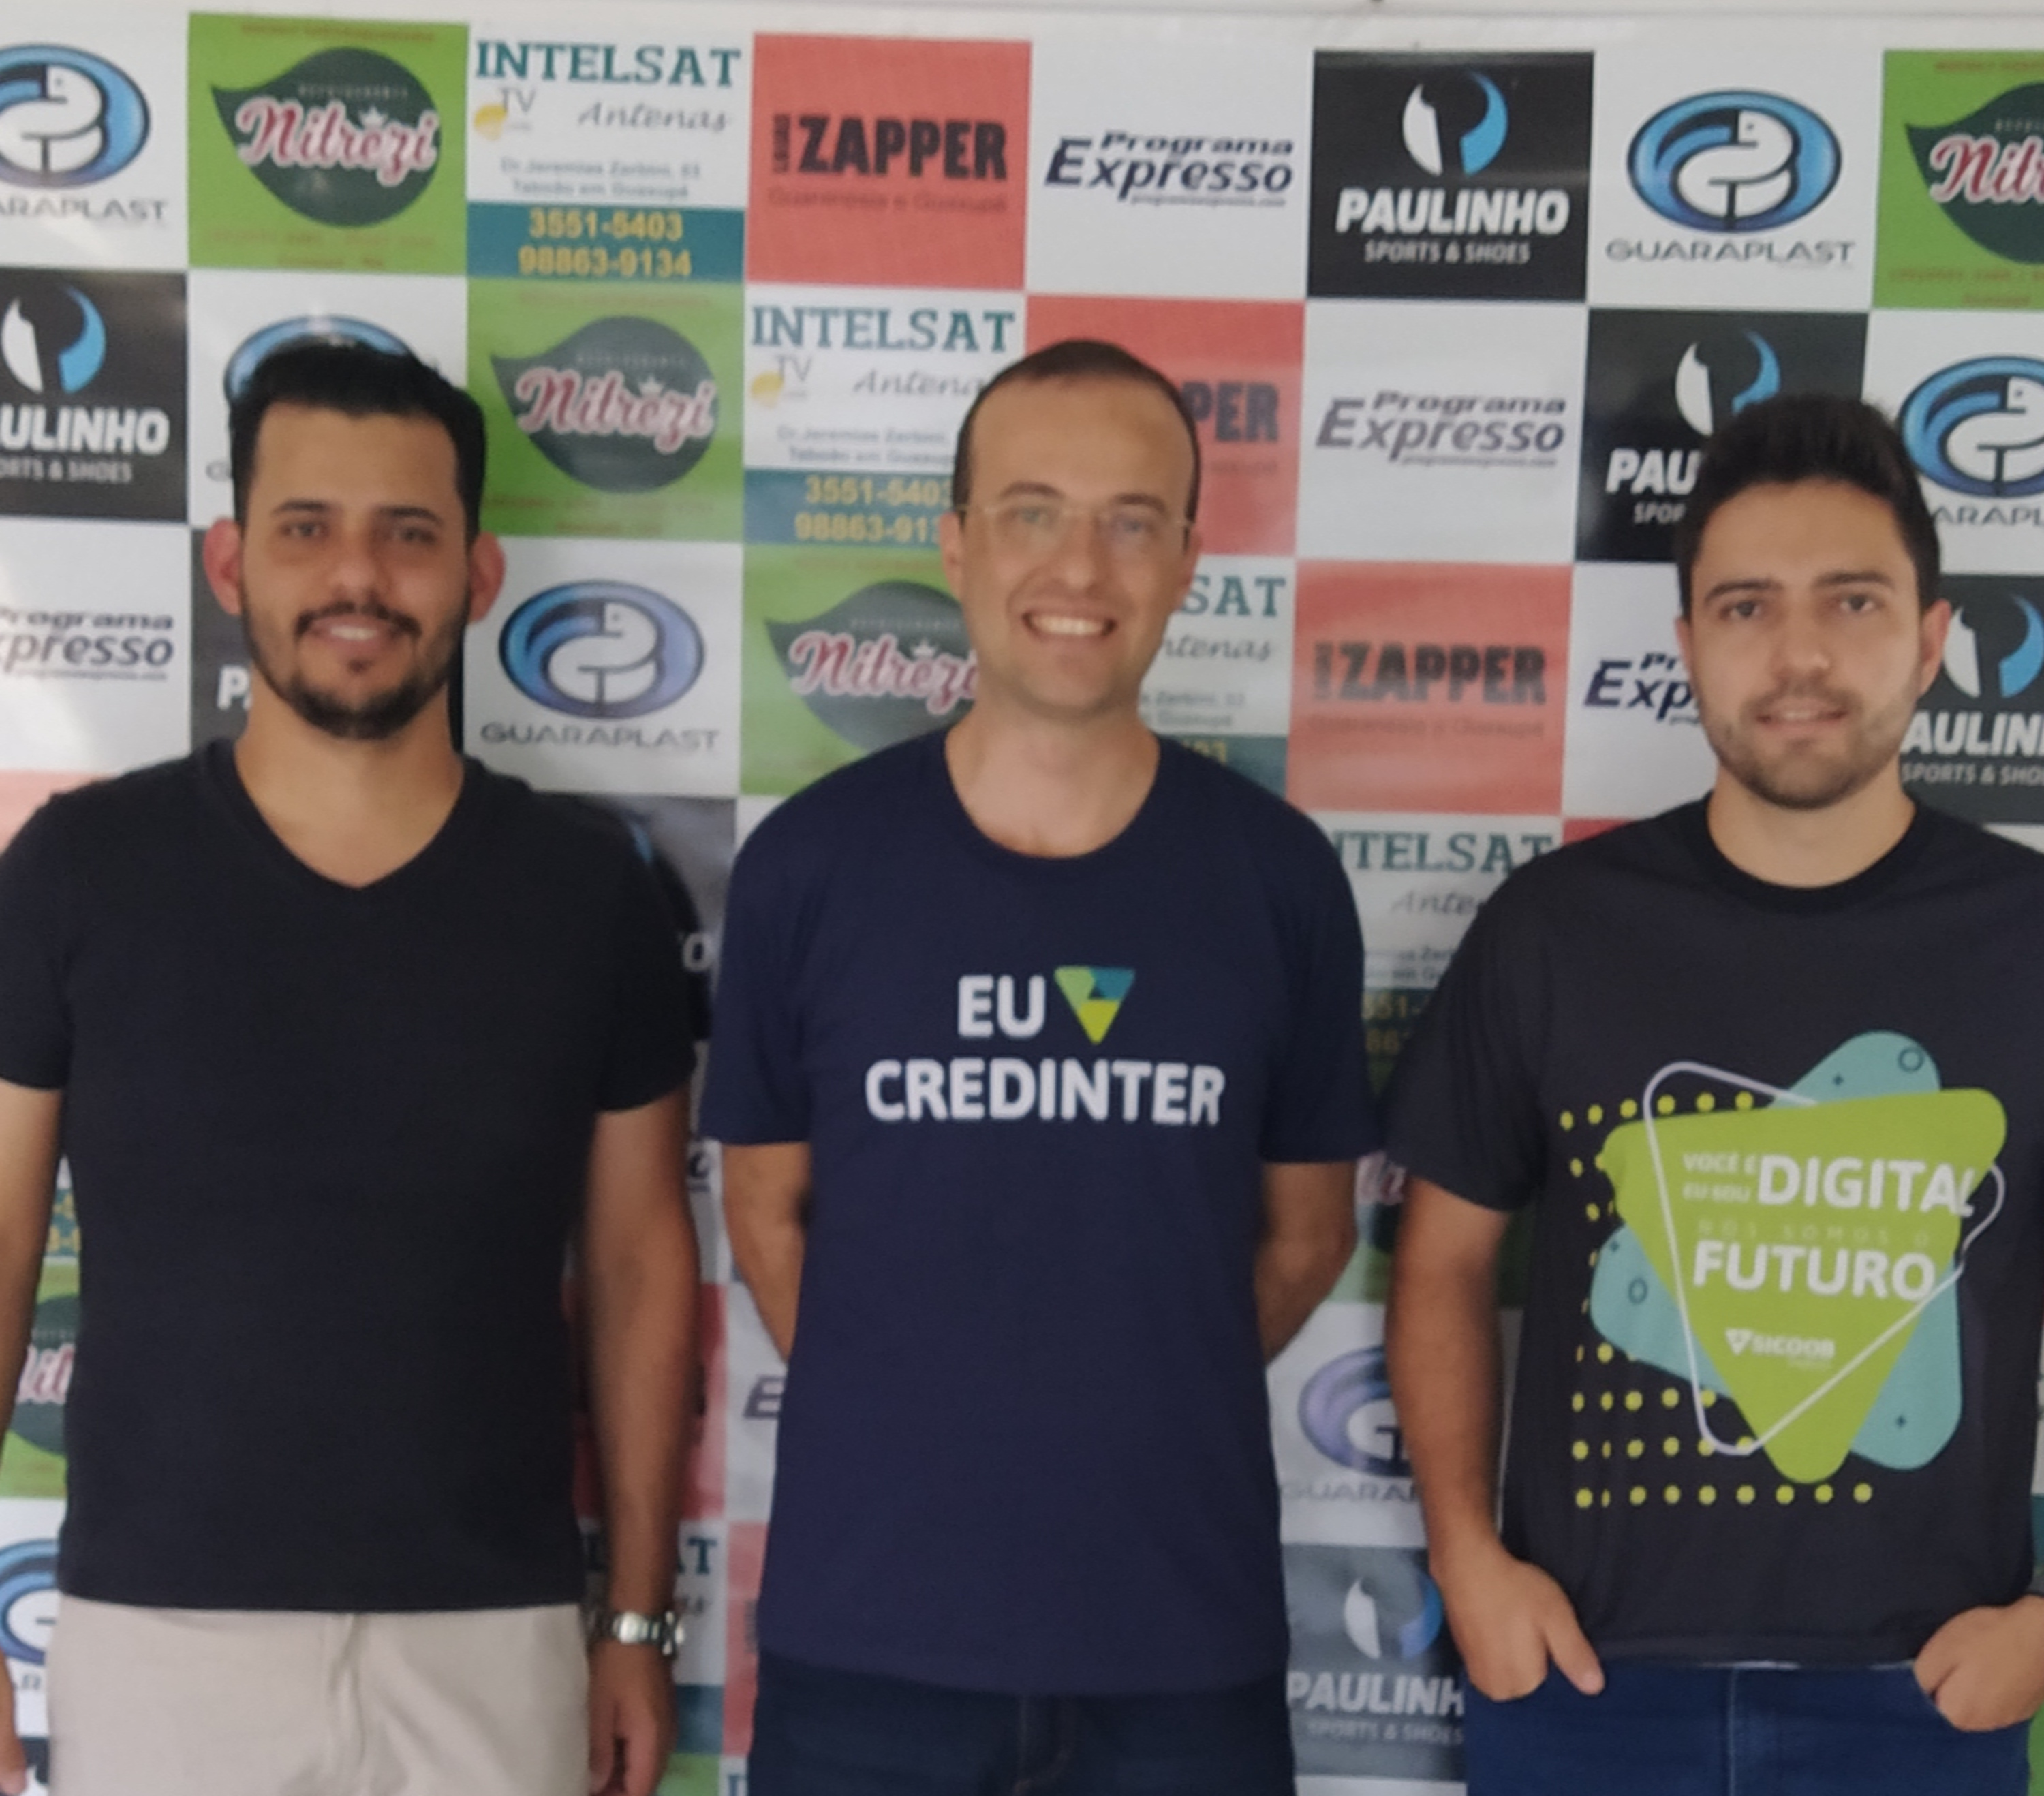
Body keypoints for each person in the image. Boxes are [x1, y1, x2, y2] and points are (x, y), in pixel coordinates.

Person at [0, 342, 702, 1796]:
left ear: (480, 575)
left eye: (410, 533)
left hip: (494, 1643)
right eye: (306, 527)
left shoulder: (590, 895)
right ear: (229, 563)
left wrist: (634, 1618)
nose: (358, 577)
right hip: (161, 1640)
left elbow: (640, 1264)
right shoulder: (81, 872)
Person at [702, 337, 1374, 1795]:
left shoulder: (1280, 880)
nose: (1081, 565)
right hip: (870, 1644)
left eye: (1132, 520)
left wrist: (1132, 1383)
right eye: (1033, 511)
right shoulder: (809, 869)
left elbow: (1309, 1235)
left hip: (1181, 1654)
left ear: (1188, 561)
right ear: (955, 545)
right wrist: (929, 1404)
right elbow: (764, 1214)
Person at [1386, 393, 2044, 1795]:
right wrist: (1464, 1555)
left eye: (1852, 602)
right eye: (1747, 607)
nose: (1800, 655)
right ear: (1686, 644)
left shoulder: (2028, 936)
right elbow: (1441, 1259)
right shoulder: (1556, 931)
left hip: (1922, 1699)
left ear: (1933, 638)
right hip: (1583, 1686)